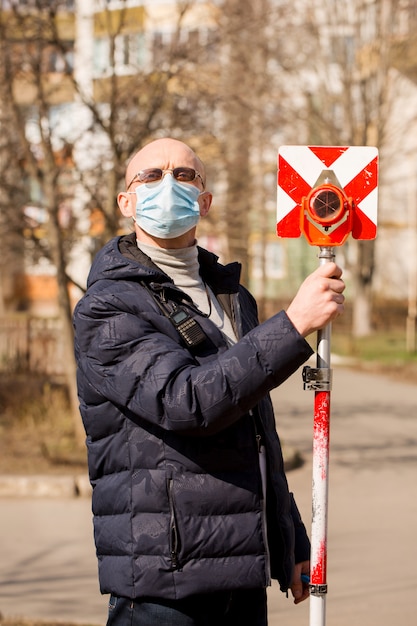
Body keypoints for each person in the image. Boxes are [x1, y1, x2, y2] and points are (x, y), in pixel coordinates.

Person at [73, 137, 345, 626]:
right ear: (126, 202)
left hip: (241, 573)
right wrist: (294, 323)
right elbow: (187, 401)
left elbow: (255, 426)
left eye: (185, 175)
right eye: (151, 176)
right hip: (166, 584)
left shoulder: (231, 295)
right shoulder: (109, 306)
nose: (168, 184)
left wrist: (289, 536)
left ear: (205, 201)